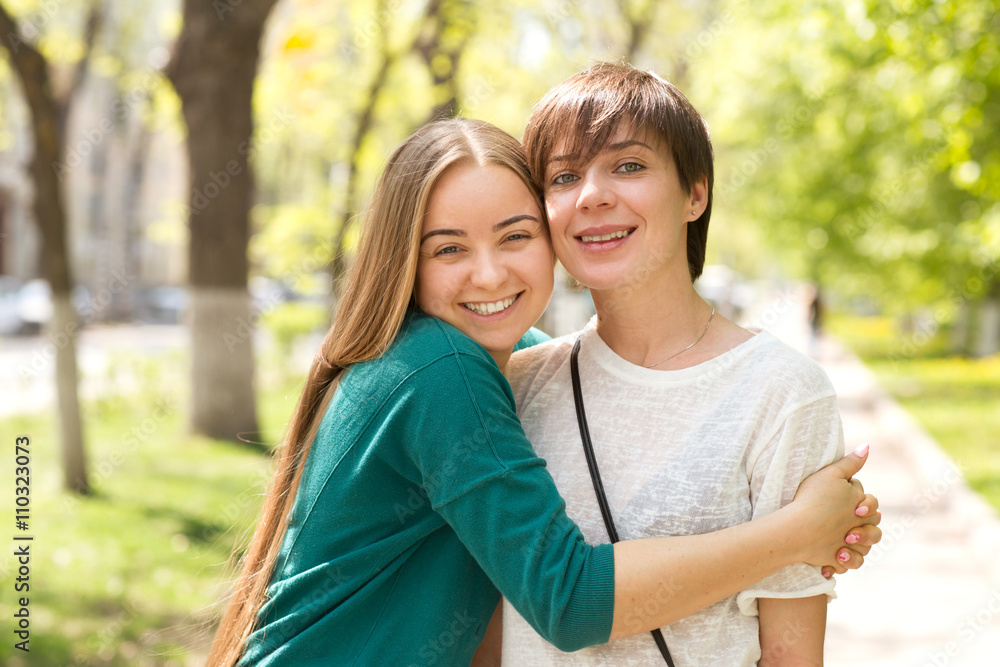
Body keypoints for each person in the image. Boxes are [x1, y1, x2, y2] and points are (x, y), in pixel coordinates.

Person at [206, 119, 880, 666]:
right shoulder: (441, 368)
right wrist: (796, 532)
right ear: (402, 260)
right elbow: (569, 599)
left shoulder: (523, 368)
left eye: (515, 236)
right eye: (448, 250)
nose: (490, 273)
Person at [498, 63, 864, 665]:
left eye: (629, 165)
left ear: (695, 193)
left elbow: (791, 655)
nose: (593, 195)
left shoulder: (782, 392)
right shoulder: (517, 384)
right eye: (563, 177)